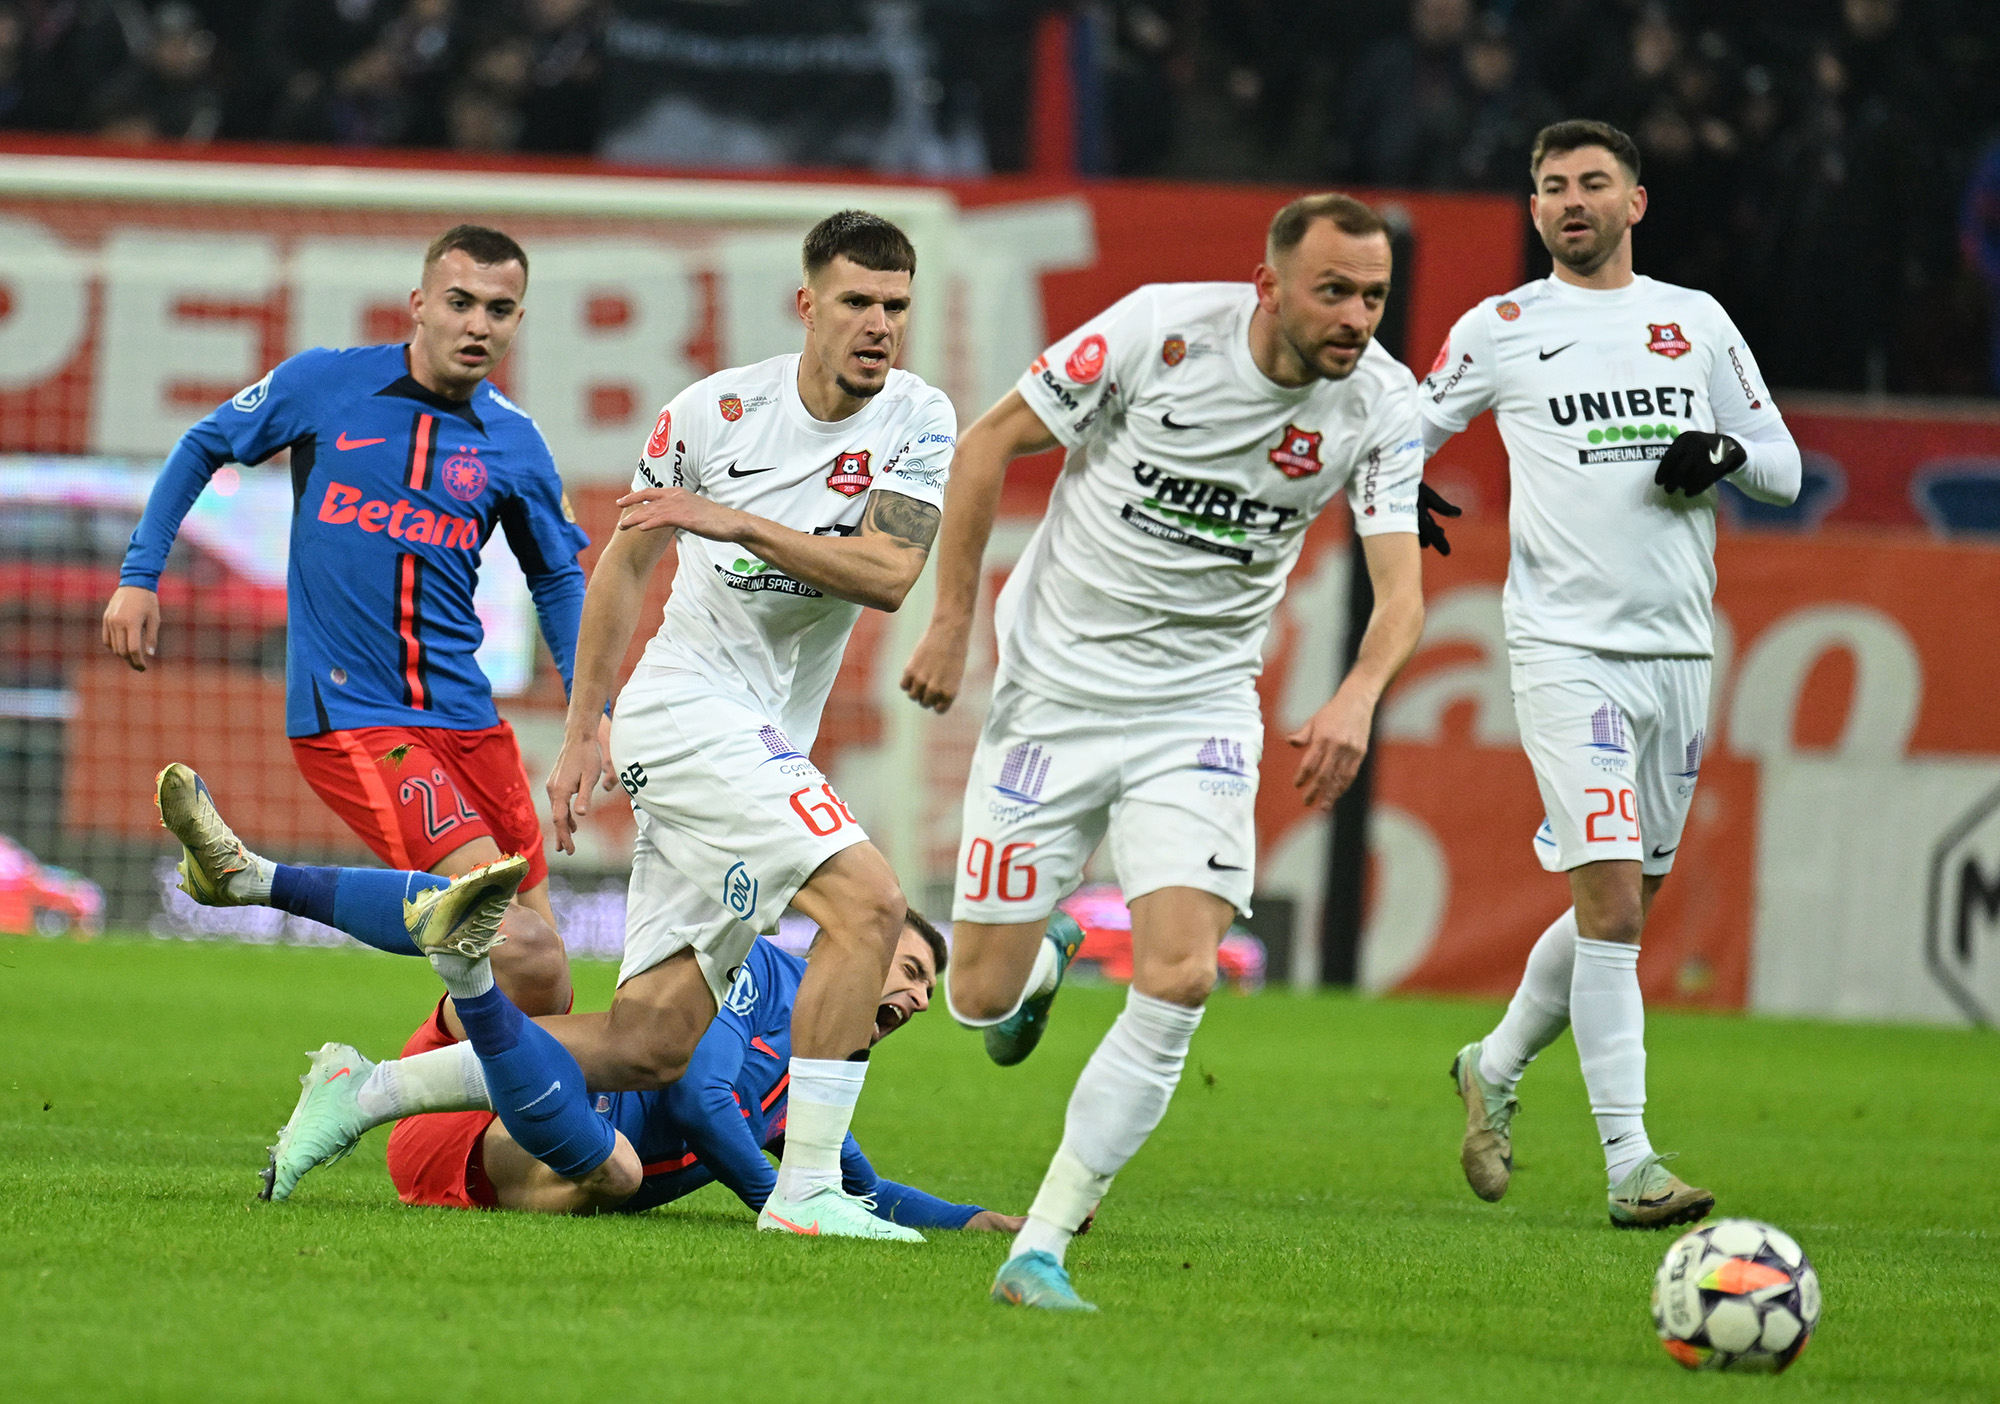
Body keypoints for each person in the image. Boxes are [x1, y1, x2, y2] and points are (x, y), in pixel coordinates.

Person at [899, 192, 1441, 1310]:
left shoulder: (1383, 404)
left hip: (1197, 712)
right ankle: (1040, 961)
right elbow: (988, 441)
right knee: (978, 997)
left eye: (1373, 296)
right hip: (1052, 696)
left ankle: (1040, 1245)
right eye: (1332, 292)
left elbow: (1401, 591)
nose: (1355, 318)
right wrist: (949, 621)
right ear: (1268, 285)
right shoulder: (1158, 330)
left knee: (1183, 974)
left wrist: (1356, 696)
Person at [532, 209, 1020, 1241]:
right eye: (856, 302)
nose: (879, 325)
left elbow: (888, 574)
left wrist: (740, 522)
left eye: (895, 306)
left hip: (759, 738)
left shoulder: (918, 418)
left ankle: (373, 1088)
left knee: (648, 1040)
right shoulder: (710, 414)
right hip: (681, 711)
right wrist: (581, 728)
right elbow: (623, 564)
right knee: (872, 905)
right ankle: (805, 1193)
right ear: (807, 305)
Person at [1421, 119, 1800, 1228]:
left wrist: (1725, 454)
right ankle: (1631, 1164)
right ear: (1534, 208)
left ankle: (1491, 1064)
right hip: (1564, 648)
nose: (1570, 200)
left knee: (1627, 905)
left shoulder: (1694, 321)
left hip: (1677, 651)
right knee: (1614, 903)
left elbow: (1779, 464)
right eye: (1551, 186)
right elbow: (1403, 425)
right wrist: (1398, 490)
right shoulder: (1501, 328)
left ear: (1635, 202)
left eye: (1592, 182)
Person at [104, 225, 593, 1020]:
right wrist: (139, 576)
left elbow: (559, 577)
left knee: (543, 978)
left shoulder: (515, 440)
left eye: (499, 310)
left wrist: (587, 713)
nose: (478, 325)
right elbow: (204, 444)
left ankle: (421, 1090)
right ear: (419, 304)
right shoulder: (326, 385)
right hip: (357, 716)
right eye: (460, 302)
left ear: (518, 321)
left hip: (472, 723)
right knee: (497, 927)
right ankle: (261, 891)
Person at [263, 857, 1020, 1231]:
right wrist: (779, 1202)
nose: (920, 1000)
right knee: (536, 954)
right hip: (476, 1124)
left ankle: (426, 1027)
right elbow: (698, 1096)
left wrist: (971, 1219)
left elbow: (860, 1189)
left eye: (928, 993)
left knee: (617, 1169)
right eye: (910, 972)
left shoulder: (812, 1077)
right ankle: (271, 884)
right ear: (850, 948)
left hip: (511, 1141)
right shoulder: (761, 970)